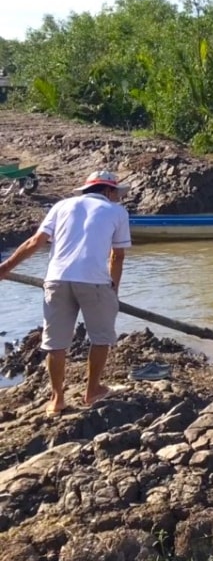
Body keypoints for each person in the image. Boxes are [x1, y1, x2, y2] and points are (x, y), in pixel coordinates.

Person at [0, 170, 132, 414]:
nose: (118, 198)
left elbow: (35, 242)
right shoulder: (117, 212)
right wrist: (113, 289)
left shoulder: (61, 206)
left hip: (56, 279)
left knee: (56, 343)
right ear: (109, 191)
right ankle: (92, 391)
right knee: (101, 338)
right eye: (117, 194)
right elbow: (118, 256)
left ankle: (57, 399)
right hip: (94, 281)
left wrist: (5, 268)